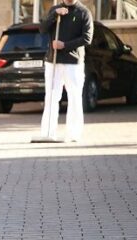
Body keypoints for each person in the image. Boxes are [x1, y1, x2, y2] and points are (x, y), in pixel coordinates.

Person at [39, 0, 93, 142]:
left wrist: (65, 45)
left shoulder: (83, 12)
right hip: (53, 61)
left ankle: (73, 133)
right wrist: (54, 15)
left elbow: (87, 38)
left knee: (74, 97)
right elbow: (42, 29)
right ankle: (48, 132)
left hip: (73, 62)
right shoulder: (55, 10)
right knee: (51, 96)